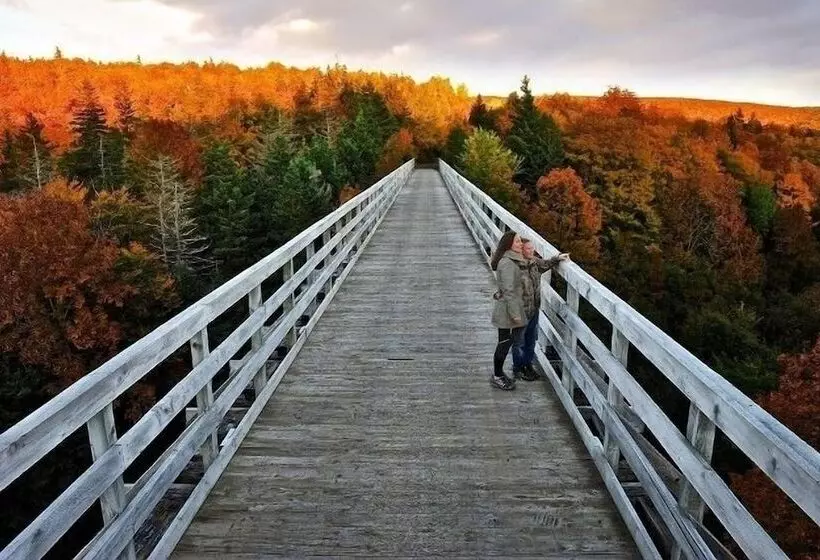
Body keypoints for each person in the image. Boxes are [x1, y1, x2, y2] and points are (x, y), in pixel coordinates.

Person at [518, 240, 569, 381]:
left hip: (534, 308)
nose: (532, 251)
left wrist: (557, 258)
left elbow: (546, 264)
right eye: (528, 249)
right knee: (520, 342)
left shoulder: (534, 262)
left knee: (531, 339)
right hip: (520, 310)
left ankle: (527, 365)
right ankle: (520, 367)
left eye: (532, 248)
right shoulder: (515, 266)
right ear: (521, 250)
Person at [489, 231, 529, 390]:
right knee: (504, 343)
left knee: (506, 342)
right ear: (509, 244)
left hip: (509, 307)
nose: (521, 244)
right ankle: (497, 376)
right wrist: (516, 316)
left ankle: (499, 374)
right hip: (507, 310)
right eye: (518, 242)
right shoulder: (507, 263)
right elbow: (508, 290)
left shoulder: (513, 260)